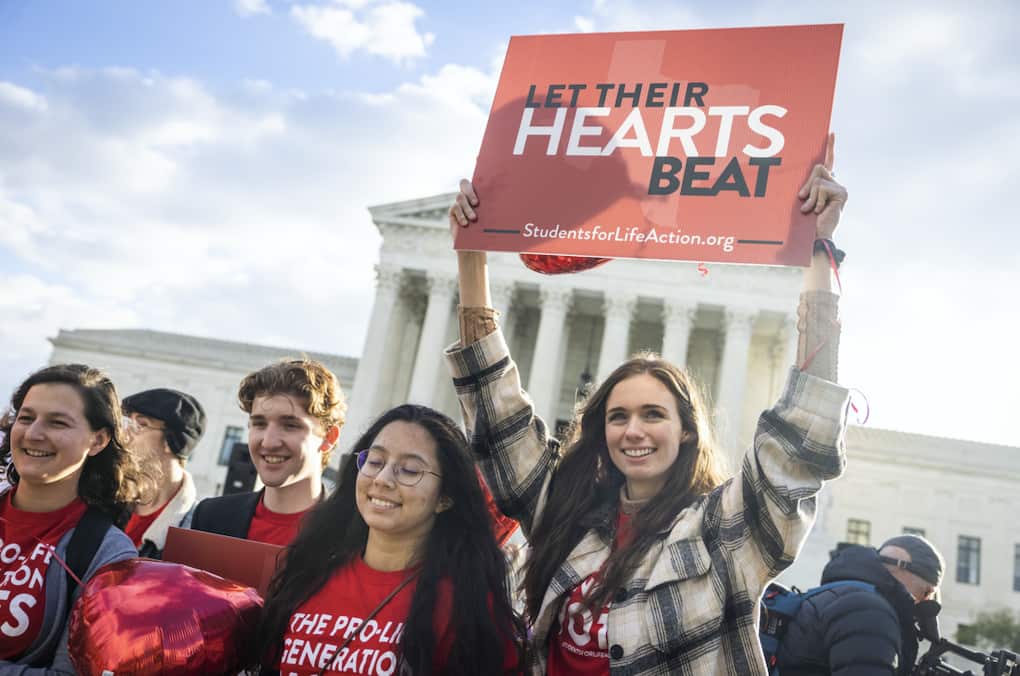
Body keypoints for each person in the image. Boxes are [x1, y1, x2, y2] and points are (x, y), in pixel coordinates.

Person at [445, 134, 851, 674]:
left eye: (653, 414)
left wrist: (818, 248)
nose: (633, 430)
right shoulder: (566, 517)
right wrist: (472, 252)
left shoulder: (727, 532)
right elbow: (497, 416)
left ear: (686, 430)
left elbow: (801, 438)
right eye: (618, 416)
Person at [256, 404, 526, 675]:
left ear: (445, 497)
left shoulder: (466, 605)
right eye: (375, 462)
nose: (382, 479)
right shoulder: (306, 575)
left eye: (409, 470)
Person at [0, 364, 149, 673]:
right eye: (26, 418)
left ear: (98, 441)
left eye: (57, 423)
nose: (33, 433)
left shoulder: (108, 553)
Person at [189, 359, 345, 546]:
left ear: (329, 437)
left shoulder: (353, 536)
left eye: (290, 426)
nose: (269, 442)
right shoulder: (209, 518)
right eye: (259, 424)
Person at [776, 534, 945, 675]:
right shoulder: (870, 612)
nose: (923, 602)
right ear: (902, 567)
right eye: (925, 593)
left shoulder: (843, 595)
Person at [121, 388, 207, 557]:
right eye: (127, 423)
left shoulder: (197, 530)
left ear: (172, 441)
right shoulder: (105, 504)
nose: (125, 435)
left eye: (140, 425)